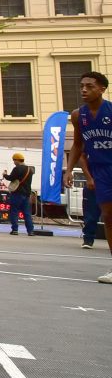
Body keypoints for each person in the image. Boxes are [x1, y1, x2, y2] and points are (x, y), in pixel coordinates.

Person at [63, 71, 112, 282]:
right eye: (82, 86)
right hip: (100, 170)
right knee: (108, 217)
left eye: (90, 86)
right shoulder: (78, 115)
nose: (84, 89)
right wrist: (68, 170)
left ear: (102, 89)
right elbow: (77, 145)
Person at [2, 153, 35, 236]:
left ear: (17, 160)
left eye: (14, 160)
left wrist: (5, 175)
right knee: (27, 213)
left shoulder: (17, 169)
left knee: (14, 211)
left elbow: (11, 178)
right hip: (26, 194)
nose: (14, 162)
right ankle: (30, 231)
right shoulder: (29, 169)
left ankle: (15, 230)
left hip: (17, 193)